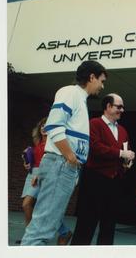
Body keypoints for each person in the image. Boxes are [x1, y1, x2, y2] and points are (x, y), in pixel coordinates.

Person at [21, 60, 107, 245]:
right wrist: (70, 157)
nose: (102, 85)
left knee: (47, 224)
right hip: (61, 164)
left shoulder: (79, 99)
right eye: (101, 80)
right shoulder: (70, 92)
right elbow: (53, 125)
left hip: (64, 166)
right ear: (91, 77)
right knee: (42, 229)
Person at [70, 93, 135, 245]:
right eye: (119, 107)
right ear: (108, 107)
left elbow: (125, 151)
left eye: (123, 107)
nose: (122, 110)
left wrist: (127, 161)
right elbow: (94, 147)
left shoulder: (123, 130)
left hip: (114, 182)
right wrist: (120, 153)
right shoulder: (94, 124)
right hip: (95, 180)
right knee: (87, 223)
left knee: (109, 225)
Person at [20, 117, 73, 245]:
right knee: (43, 208)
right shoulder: (38, 142)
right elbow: (34, 161)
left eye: (46, 125)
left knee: (27, 204)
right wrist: (26, 163)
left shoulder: (53, 142)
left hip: (45, 173)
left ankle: (31, 236)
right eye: (42, 125)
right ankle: (64, 231)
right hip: (33, 173)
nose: (43, 128)